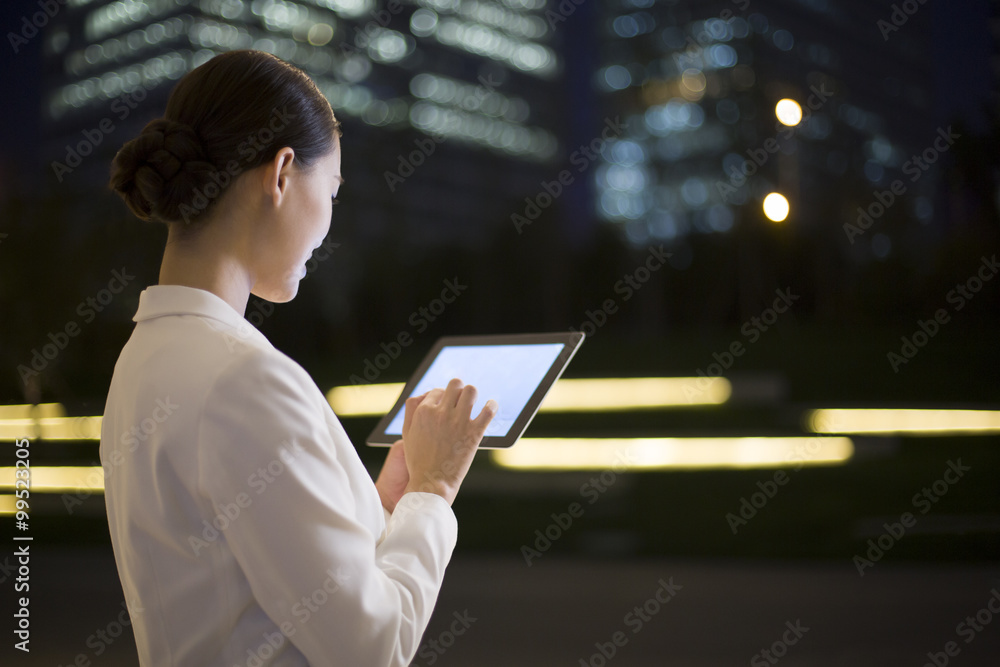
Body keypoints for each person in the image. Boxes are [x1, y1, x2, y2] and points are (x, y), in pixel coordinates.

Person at [100, 49, 497, 666]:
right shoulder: (245, 378)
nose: (329, 223)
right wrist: (435, 492)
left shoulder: (142, 359)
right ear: (282, 173)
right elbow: (374, 648)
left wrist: (386, 504)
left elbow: (247, 575)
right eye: (332, 191)